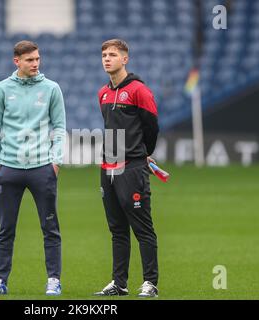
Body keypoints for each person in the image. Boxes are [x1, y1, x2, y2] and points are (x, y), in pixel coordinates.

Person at [0, 40, 66, 296]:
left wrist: (56, 161)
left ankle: (53, 279)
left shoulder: (52, 88)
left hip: (43, 168)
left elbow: (60, 127)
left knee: (50, 228)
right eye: (30, 60)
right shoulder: (1, 89)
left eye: (37, 59)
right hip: (8, 168)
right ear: (16, 61)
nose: (35, 64)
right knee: (5, 230)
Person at [94, 39, 160, 298]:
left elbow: (151, 127)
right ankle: (119, 284)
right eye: (103, 55)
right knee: (117, 230)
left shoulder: (138, 90)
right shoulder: (103, 93)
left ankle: (150, 283)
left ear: (125, 59)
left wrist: (144, 154)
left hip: (132, 168)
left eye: (112, 54)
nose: (106, 59)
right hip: (107, 167)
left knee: (143, 228)